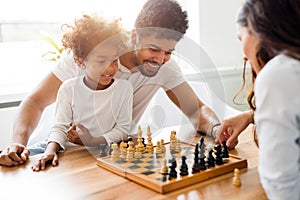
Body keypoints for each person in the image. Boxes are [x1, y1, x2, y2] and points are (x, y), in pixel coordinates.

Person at [0, 0, 220, 167]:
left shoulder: (165, 68)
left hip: (112, 153)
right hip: (63, 150)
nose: (160, 60)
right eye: (153, 49)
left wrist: (218, 128)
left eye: (169, 52)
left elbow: (197, 110)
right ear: (135, 36)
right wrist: (16, 142)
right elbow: (35, 101)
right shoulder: (92, 55)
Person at [216, 0, 300, 199]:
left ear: (259, 30)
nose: (244, 56)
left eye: (240, 38)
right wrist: (252, 115)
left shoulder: (279, 73)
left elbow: (281, 186)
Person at [31, 14, 133, 171]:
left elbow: (123, 130)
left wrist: (92, 141)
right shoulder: (68, 88)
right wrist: (50, 151)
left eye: (114, 60)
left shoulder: (124, 89)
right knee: (20, 156)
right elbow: (59, 128)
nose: (110, 68)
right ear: (80, 61)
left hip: (99, 150)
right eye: (101, 61)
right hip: (64, 148)